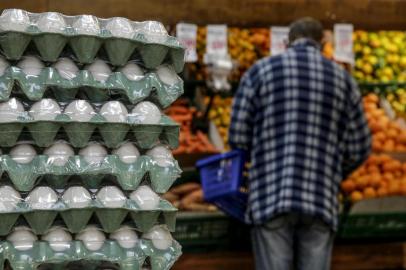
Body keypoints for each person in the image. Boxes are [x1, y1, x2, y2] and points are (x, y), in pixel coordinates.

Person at [228, 17, 371, 270]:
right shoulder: (343, 80)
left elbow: (238, 137)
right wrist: (334, 171)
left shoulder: (260, 72)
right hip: (320, 198)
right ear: (323, 42)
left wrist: (262, 160)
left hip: (270, 195)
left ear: (287, 42)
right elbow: (359, 146)